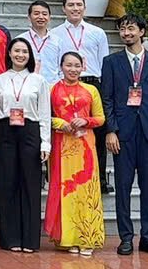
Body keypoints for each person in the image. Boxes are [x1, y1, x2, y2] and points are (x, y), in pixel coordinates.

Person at [102, 13, 148, 257]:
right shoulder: (111, 62)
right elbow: (107, 99)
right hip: (122, 134)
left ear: (142, 32)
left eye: (131, 29)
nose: (126, 33)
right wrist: (110, 130)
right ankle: (125, 238)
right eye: (122, 29)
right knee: (122, 187)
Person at [0, 37, 51, 254]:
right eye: (16, 51)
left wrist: (45, 143)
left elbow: (44, 114)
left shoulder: (38, 81)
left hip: (30, 131)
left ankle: (30, 240)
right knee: (7, 184)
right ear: (9, 54)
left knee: (30, 185)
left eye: (24, 51)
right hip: (6, 131)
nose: (20, 55)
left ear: (29, 56)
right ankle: (10, 237)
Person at [45, 51, 106, 256]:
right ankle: (67, 238)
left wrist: (86, 121)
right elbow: (45, 117)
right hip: (61, 145)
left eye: (76, 65)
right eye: (68, 65)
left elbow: (100, 118)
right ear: (61, 66)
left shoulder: (91, 90)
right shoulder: (51, 89)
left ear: (83, 67)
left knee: (86, 191)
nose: (72, 69)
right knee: (65, 191)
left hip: (85, 146)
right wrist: (60, 124)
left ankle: (87, 238)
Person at [52, 0, 112, 193]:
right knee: (68, 130)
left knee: (97, 131)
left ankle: (100, 178)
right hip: (67, 84)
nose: (75, 8)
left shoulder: (97, 32)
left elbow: (105, 62)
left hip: (92, 83)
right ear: (64, 8)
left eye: (79, 5)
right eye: (71, 5)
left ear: (84, 8)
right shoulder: (55, 33)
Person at [23, 0, 61, 84]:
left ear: (49, 17)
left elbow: (62, 67)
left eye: (44, 14)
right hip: (27, 86)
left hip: (52, 86)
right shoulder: (21, 40)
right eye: (36, 13)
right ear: (29, 17)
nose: (41, 17)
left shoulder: (57, 41)